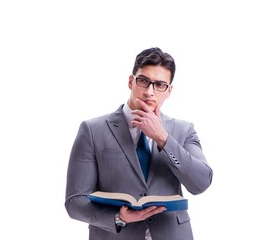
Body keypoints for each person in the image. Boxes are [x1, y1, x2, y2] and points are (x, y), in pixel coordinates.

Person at [65, 47, 213, 240]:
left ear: (168, 91)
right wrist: (118, 217)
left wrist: (162, 138)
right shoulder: (92, 130)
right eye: (143, 81)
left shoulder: (184, 131)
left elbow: (201, 183)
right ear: (130, 82)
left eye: (159, 85)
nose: (150, 92)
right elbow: (75, 202)